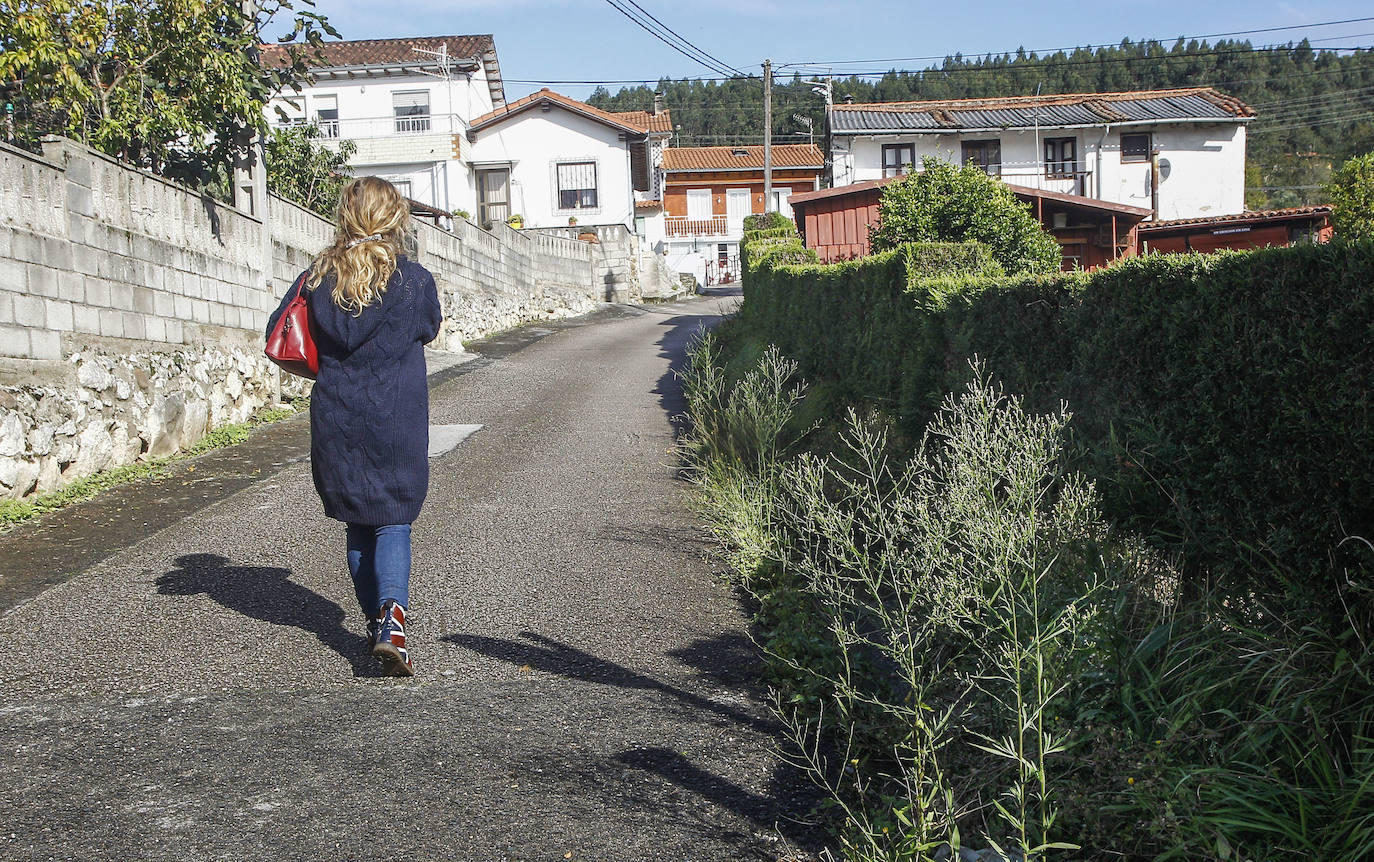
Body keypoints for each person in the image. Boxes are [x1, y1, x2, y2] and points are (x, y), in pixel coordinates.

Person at [266, 177, 442, 677]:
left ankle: (375, 623)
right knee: (393, 517)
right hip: (397, 416)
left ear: (346, 216)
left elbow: (280, 332)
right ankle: (392, 621)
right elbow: (429, 328)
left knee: (358, 521)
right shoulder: (414, 281)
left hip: (337, 414)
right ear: (396, 218)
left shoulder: (317, 278)